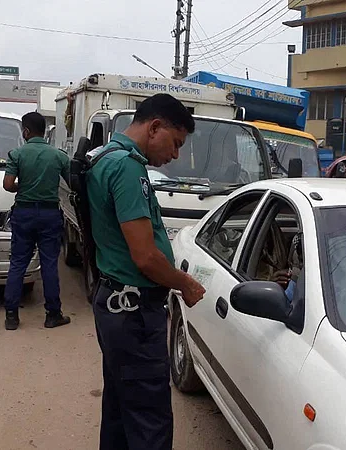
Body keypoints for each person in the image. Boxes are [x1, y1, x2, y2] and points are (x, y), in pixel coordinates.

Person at [86, 94, 206, 450]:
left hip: (115, 304)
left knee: (121, 410)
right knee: (149, 421)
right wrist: (184, 283)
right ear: (155, 127)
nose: (175, 155)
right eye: (176, 142)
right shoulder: (127, 168)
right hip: (134, 313)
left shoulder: (105, 157)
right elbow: (145, 257)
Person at [2, 112, 71, 331]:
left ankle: (11, 316)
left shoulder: (17, 154)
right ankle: (53, 315)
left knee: (18, 263)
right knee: (50, 264)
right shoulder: (58, 156)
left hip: (24, 213)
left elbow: (7, 184)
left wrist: (21, 187)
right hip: (50, 215)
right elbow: (72, 183)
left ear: (26, 131)